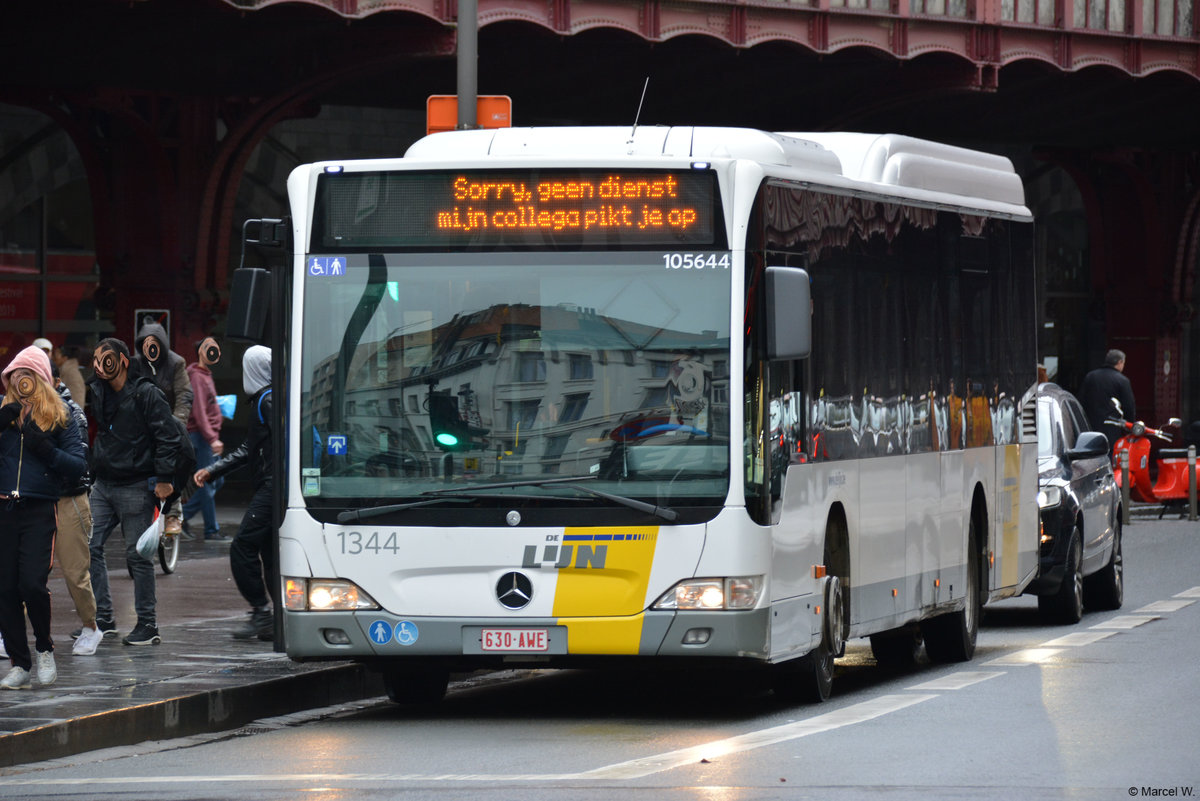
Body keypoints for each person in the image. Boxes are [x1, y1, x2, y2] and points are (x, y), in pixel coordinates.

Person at [86, 338, 184, 646]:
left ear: (123, 361)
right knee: (88, 546)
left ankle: (147, 624)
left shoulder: (146, 393)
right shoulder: (98, 390)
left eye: (106, 360)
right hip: (103, 483)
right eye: (96, 360)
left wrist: (164, 478)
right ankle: (103, 619)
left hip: (136, 483)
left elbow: (168, 436)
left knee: (138, 555)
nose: (99, 366)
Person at [0, 347, 87, 689]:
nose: (21, 382)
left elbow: (78, 466)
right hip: (5, 508)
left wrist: (44, 447)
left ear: (41, 379)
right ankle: (20, 664)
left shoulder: (61, 415)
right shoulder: (4, 411)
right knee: (5, 588)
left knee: (32, 584)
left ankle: (44, 648)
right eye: (15, 376)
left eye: (28, 375)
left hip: (39, 509)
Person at [194, 346, 276, 640]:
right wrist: (213, 470)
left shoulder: (267, 401)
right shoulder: (267, 399)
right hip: (274, 486)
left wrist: (212, 469)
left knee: (242, 547)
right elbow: (250, 448)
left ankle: (263, 613)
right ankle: (276, 617)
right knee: (269, 553)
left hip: (272, 487)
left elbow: (258, 448)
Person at [50, 365, 105, 655]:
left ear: (56, 380)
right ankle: (8, 631)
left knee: (75, 572)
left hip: (69, 499)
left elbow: (77, 462)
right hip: (35, 500)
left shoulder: (71, 413)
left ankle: (91, 626)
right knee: (24, 570)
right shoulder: (18, 410)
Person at [133, 321, 193, 536]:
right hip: (142, 424)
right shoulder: (136, 363)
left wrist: (176, 423)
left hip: (168, 422)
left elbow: (184, 395)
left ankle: (173, 514)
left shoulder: (176, 363)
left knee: (172, 462)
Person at [182, 336, 226, 540]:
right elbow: (198, 411)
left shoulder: (205, 374)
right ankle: (211, 530)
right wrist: (211, 438)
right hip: (201, 437)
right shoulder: (197, 377)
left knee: (216, 480)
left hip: (206, 436)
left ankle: (182, 516)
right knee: (208, 482)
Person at [1078, 348, 1136, 446]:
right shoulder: (1122, 380)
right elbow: (1129, 407)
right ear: (1120, 362)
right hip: (1111, 428)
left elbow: (1081, 400)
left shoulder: (1091, 376)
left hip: (1090, 427)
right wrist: (1130, 426)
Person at [50, 344, 88, 409]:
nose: (53, 358)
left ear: (65, 358)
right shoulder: (65, 371)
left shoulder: (71, 373)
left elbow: (77, 401)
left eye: (55, 355)